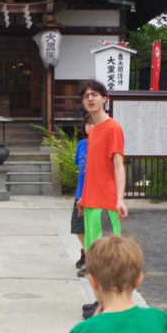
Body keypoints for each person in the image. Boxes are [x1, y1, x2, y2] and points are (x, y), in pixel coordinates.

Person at [77, 80, 128, 318]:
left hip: (106, 204)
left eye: (94, 94)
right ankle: (100, 301)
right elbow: (92, 168)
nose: (90, 99)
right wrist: (83, 198)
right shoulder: (93, 130)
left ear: (104, 99)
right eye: (86, 96)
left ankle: (111, 305)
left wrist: (120, 198)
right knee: (93, 256)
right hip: (90, 202)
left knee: (107, 257)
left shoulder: (112, 127)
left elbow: (119, 166)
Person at [71, 113, 91, 276]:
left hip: (94, 194)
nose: (90, 127)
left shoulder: (101, 145)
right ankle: (87, 252)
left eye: (93, 124)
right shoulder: (81, 145)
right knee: (77, 227)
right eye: (87, 124)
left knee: (91, 228)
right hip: (80, 192)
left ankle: (91, 261)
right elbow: (80, 167)